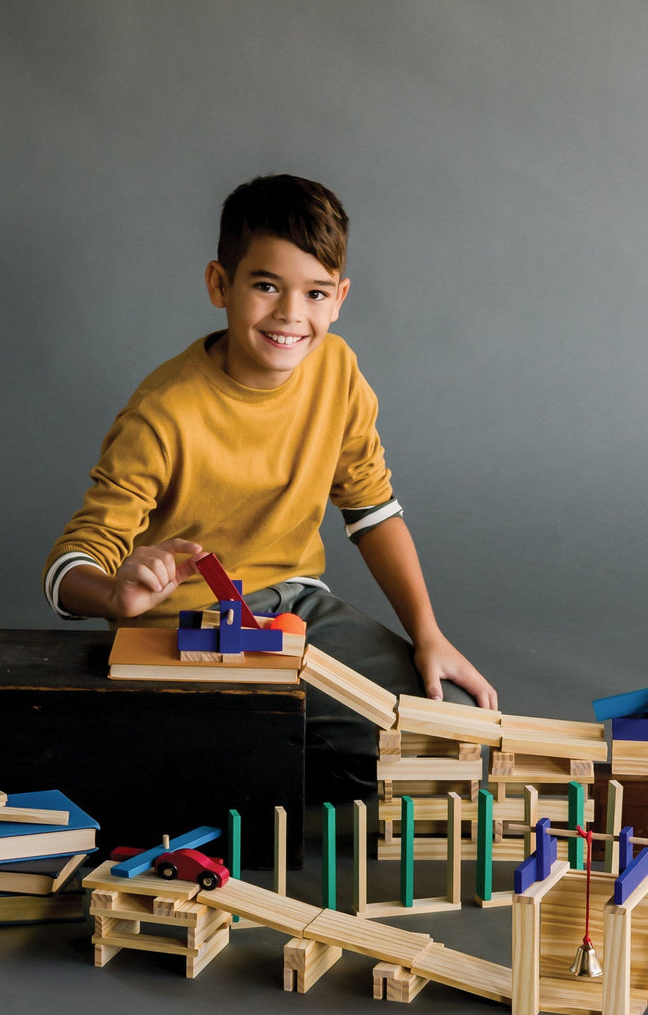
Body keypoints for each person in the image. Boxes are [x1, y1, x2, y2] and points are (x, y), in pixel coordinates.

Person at [43, 174, 496, 799]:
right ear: (219, 285)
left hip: (295, 612)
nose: (290, 314)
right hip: (189, 633)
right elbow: (68, 567)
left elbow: (372, 510)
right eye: (265, 286)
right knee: (264, 770)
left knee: (452, 734)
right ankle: (250, 769)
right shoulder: (163, 413)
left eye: (315, 293)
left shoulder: (337, 370)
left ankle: (283, 765)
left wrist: (429, 635)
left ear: (339, 298)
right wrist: (116, 595)